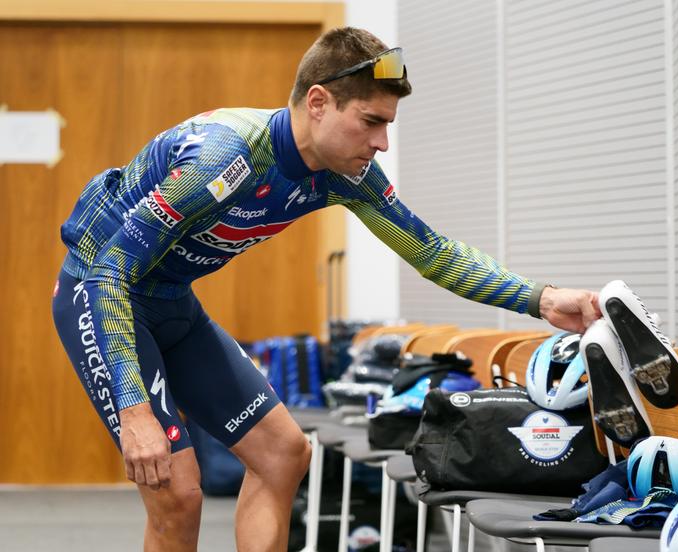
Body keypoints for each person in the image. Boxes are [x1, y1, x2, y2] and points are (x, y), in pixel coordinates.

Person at [51, 27, 601, 551]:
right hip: (99, 296)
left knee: (284, 454)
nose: (382, 143)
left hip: (173, 302)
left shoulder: (345, 175)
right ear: (318, 102)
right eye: (370, 121)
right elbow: (111, 273)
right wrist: (135, 412)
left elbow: (433, 253)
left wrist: (542, 298)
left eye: (387, 124)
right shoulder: (225, 158)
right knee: (176, 491)